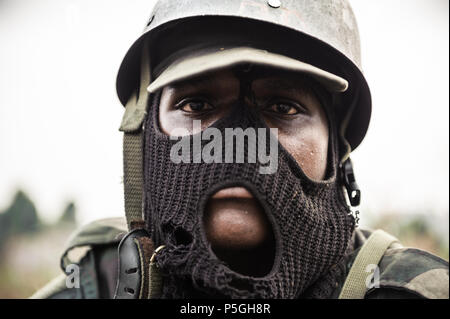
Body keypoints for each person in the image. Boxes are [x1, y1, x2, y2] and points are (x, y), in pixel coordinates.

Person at [31, 0, 448, 299]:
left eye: (283, 107)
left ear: (336, 150)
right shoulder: (89, 287)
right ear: (141, 134)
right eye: (196, 105)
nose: (239, 145)